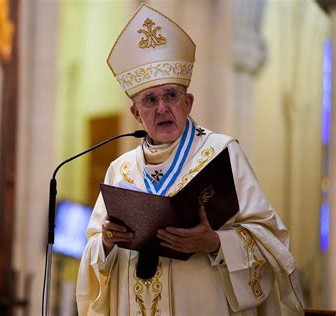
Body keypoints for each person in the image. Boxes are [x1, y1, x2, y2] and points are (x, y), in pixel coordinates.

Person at [76, 4, 304, 316]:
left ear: (188, 102)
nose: (161, 108)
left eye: (171, 96)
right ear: (136, 114)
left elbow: (270, 241)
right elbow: (92, 251)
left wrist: (214, 243)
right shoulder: (121, 169)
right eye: (150, 100)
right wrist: (105, 242)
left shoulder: (221, 153)